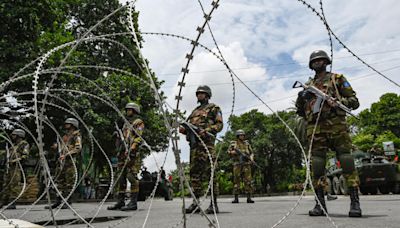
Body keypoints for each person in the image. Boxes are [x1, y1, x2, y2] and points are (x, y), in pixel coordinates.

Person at [295, 50, 362, 217]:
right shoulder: (309, 84)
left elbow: (354, 102)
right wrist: (303, 97)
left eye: (321, 60)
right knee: (317, 166)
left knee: (346, 161)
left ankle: (355, 203)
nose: (318, 63)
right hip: (316, 129)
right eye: (315, 61)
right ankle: (319, 205)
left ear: (326, 61)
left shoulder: (337, 79)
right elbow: (301, 112)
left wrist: (337, 102)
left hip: (337, 126)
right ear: (311, 65)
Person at [179, 85, 223, 214]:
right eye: (198, 93)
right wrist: (183, 130)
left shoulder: (214, 108)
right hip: (194, 147)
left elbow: (219, 124)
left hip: (207, 146)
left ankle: (213, 204)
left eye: (202, 93)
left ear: (208, 95)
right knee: (194, 175)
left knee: (211, 173)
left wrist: (207, 130)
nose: (199, 95)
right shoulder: (194, 112)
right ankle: (195, 203)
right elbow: (187, 127)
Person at [108, 102, 144, 211]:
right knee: (121, 177)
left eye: (130, 110)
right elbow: (124, 138)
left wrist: (132, 147)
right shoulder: (125, 124)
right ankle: (120, 201)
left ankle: (133, 202)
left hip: (132, 154)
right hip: (122, 154)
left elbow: (138, 137)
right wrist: (118, 136)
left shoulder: (138, 122)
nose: (128, 111)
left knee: (131, 177)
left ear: (135, 111)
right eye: (127, 110)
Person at [46, 118, 82, 209]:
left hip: (70, 163)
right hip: (61, 162)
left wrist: (66, 155)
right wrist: (56, 147)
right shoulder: (65, 136)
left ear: (73, 125)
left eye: (68, 123)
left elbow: (78, 148)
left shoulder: (76, 136)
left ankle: (67, 201)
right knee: (59, 182)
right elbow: (62, 147)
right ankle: (58, 200)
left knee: (68, 182)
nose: (66, 125)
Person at [0, 129, 30, 209]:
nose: (12, 136)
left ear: (19, 135)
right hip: (9, 167)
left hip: (16, 167)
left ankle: (12, 201)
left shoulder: (24, 144)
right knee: (6, 184)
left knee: (14, 184)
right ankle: (3, 201)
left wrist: (15, 161)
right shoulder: (13, 145)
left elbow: (25, 156)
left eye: (14, 135)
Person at [227, 130, 255, 203]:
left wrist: (251, 158)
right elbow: (228, 152)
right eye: (240, 135)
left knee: (248, 180)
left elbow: (251, 153)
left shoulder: (247, 144)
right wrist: (235, 152)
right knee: (236, 180)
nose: (242, 136)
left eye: (243, 135)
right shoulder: (233, 144)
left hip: (246, 164)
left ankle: (249, 197)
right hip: (237, 164)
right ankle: (236, 198)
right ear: (237, 136)